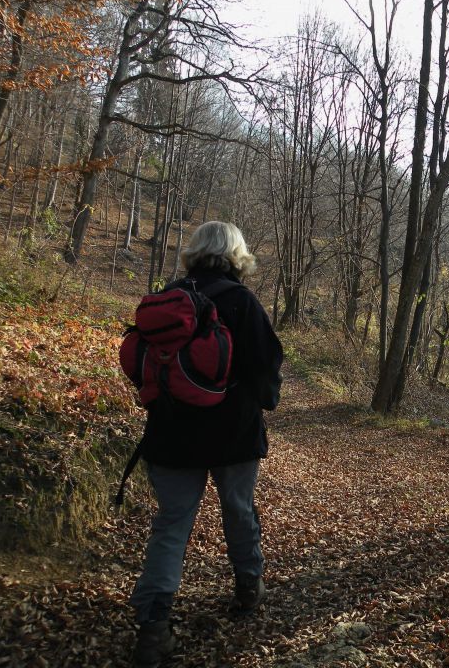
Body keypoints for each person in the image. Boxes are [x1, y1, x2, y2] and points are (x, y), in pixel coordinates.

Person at [129, 221, 283, 667]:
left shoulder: (168, 297)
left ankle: (154, 626)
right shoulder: (241, 301)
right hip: (233, 433)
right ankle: (248, 587)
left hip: (171, 432)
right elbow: (266, 365)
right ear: (237, 254)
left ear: (194, 252)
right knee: (238, 510)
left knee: (172, 524)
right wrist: (264, 401)